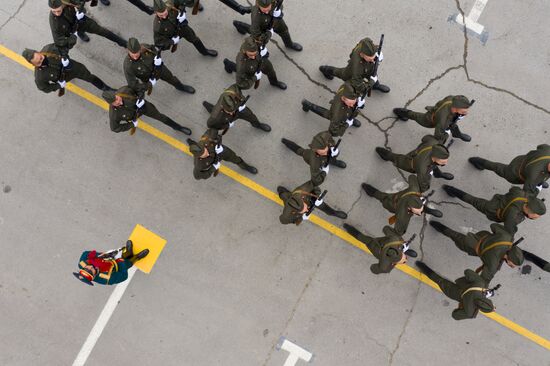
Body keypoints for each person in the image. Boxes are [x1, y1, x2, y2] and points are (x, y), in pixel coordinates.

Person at [430, 221, 523, 284]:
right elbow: (484, 280)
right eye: (513, 264)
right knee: (455, 237)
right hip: (471, 246)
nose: (513, 266)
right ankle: (438, 226)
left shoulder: (507, 238)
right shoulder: (493, 264)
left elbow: (493, 226)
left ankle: (437, 224)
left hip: (481, 236)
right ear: (509, 258)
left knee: (456, 236)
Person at [442, 184, 546, 235]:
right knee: (473, 201)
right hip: (492, 209)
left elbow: (513, 189)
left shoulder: (524, 195)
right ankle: (450, 190)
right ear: (529, 210)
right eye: (535, 215)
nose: (537, 217)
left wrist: (538, 188)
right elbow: (509, 230)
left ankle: (477, 161)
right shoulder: (513, 216)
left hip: (499, 200)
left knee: (474, 200)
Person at [361, 175, 442, 235]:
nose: (420, 214)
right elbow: (399, 231)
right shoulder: (403, 215)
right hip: (392, 204)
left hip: (394, 200)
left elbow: (412, 177)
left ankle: (368, 188)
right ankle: (430, 211)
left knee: (381, 196)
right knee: (381, 197)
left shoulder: (413, 192)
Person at [416, 262, 496, 320]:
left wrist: (482, 287)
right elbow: (455, 315)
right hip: (455, 294)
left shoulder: (481, 284)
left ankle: (421, 265)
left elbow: (467, 272)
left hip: (462, 284)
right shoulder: (470, 312)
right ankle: (422, 267)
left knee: (441, 279)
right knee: (439, 280)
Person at [22, 45, 112, 94]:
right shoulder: (40, 77)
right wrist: (58, 86)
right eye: (38, 63)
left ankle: (105, 88)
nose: (42, 61)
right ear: (32, 64)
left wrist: (65, 57)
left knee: (89, 77)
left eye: (41, 57)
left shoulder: (49, 49)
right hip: (63, 78)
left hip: (72, 67)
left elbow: (63, 47)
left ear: (38, 52)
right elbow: (45, 88)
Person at [375, 135, 452, 192]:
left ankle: (438, 174)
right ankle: (385, 154)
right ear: (435, 157)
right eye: (443, 162)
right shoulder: (422, 168)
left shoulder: (434, 143)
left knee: (434, 167)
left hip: (417, 154)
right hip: (411, 163)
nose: (445, 163)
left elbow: (425, 138)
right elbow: (423, 186)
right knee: (397, 159)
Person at [102, 87, 192, 135]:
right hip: (133, 117)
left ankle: (177, 127)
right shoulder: (114, 114)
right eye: (115, 102)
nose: (119, 100)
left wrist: (141, 98)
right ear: (111, 104)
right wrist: (131, 125)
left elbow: (138, 89)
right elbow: (115, 128)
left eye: (117, 98)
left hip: (143, 107)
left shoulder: (124, 91)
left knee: (161, 117)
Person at [469, 144, 550, 195]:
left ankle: (540, 182)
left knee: (538, 179)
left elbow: (541, 146)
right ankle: (478, 161)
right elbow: (527, 193)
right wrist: (537, 190)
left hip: (522, 160)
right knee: (497, 168)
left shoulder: (548, 151)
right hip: (515, 172)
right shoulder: (534, 176)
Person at [123, 37, 195, 95]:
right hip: (147, 78)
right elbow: (133, 85)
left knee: (171, 78)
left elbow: (154, 50)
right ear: (128, 51)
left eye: (137, 53)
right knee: (147, 88)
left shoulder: (144, 47)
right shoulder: (128, 66)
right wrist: (148, 85)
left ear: (139, 48)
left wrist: (158, 59)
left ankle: (180, 87)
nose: (135, 56)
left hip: (158, 68)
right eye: (132, 54)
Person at [319, 36, 389, 93]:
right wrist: (371, 82)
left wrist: (377, 52)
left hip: (368, 68)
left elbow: (370, 45)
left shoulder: (366, 43)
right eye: (370, 58)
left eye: (373, 57)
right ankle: (325, 69)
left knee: (372, 74)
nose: (373, 60)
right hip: (352, 72)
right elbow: (359, 87)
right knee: (341, 73)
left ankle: (376, 85)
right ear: (362, 54)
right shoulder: (356, 68)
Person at [49, 0, 127, 50]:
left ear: (62, 5)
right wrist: (73, 38)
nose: (56, 13)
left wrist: (81, 9)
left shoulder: (67, 3)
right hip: (73, 29)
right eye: (54, 11)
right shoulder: (54, 22)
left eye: (58, 11)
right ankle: (80, 33)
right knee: (78, 31)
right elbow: (58, 41)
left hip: (82, 21)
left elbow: (79, 3)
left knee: (102, 31)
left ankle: (124, 44)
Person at [393, 95, 473, 143]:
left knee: (454, 126)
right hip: (430, 120)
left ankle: (457, 134)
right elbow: (438, 135)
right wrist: (446, 135)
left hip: (446, 117)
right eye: (464, 111)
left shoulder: (452, 99)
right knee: (415, 116)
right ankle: (401, 112)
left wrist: (459, 114)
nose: (466, 113)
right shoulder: (443, 119)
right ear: (455, 108)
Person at [343, 224, 417, 274]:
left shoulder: (395, 239)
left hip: (379, 243)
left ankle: (348, 228)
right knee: (364, 239)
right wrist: (394, 263)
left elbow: (386, 229)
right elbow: (373, 268)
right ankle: (348, 229)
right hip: (375, 249)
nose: (405, 259)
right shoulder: (385, 267)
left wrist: (400, 241)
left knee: (364, 239)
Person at [152, 0, 217, 57]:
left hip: (182, 27)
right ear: (156, 13)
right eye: (161, 15)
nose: (164, 16)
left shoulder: (170, 4)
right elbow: (158, 43)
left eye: (165, 13)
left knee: (194, 38)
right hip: (173, 35)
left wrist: (182, 12)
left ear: (166, 8)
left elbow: (181, 2)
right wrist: (172, 41)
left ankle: (204, 52)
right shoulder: (157, 27)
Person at [281, 131, 346, 187]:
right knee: (300, 151)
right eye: (322, 149)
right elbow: (316, 181)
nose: (326, 149)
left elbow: (330, 140)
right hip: (313, 159)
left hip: (324, 159)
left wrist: (333, 148)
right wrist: (324, 172)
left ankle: (334, 161)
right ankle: (286, 142)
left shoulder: (323, 141)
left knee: (330, 157)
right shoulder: (314, 162)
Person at [232, 0, 302, 51]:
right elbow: (256, 34)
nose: (267, 11)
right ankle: (239, 25)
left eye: (268, 8)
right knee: (252, 31)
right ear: (259, 6)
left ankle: (289, 44)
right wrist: (269, 34)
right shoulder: (256, 17)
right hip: (263, 27)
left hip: (277, 21)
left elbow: (279, 4)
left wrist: (279, 11)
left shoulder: (271, 1)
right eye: (264, 10)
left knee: (284, 32)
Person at [188, 128, 257, 180]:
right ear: (198, 156)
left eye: (205, 150)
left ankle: (244, 166)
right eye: (204, 154)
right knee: (192, 144)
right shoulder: (199, 165)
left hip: (220, 152)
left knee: (235, 158)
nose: (207, 153)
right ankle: (190, 142)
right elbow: (197, 176)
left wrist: (217, 140)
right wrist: (213, 168)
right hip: (214, 162)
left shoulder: (205, 140)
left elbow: (212, 130)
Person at [73, 240, 149, 286]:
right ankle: (137, 257)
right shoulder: (106, 279)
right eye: (90, 271)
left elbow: (85, 253)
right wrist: (120, 261)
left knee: (121, 252)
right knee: (128, 262)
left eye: (86, 269)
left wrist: (100, 255)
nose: (89, 267)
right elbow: (123, 276)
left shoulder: (82, 263)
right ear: (93, 275)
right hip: (117, 266)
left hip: (107, 257)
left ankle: (129, 252)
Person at [203, 83, 270, 133]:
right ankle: (207, 105)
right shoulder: (215, 116)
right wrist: (227, 126)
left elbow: (239, 89)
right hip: (225, 117)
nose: (232, 113)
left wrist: (241, 103)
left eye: (232, 110)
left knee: (250, 116)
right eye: (229, 111)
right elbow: (210, 125)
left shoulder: (233, 89)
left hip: (239, 108)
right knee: (215, 114)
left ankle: (257, 124)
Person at [277, 181, 347, 225]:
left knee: (325, 207)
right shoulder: (286, 214)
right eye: (304, 211)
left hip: (310, 199)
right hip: (292, 200)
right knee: (284, 196)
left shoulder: (302, 190)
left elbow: (314, 184)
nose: (307, 210)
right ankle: (282, 193)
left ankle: (333, 213)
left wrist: (317, 195)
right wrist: (301, 218)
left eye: (305, 208)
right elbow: (283, 221)